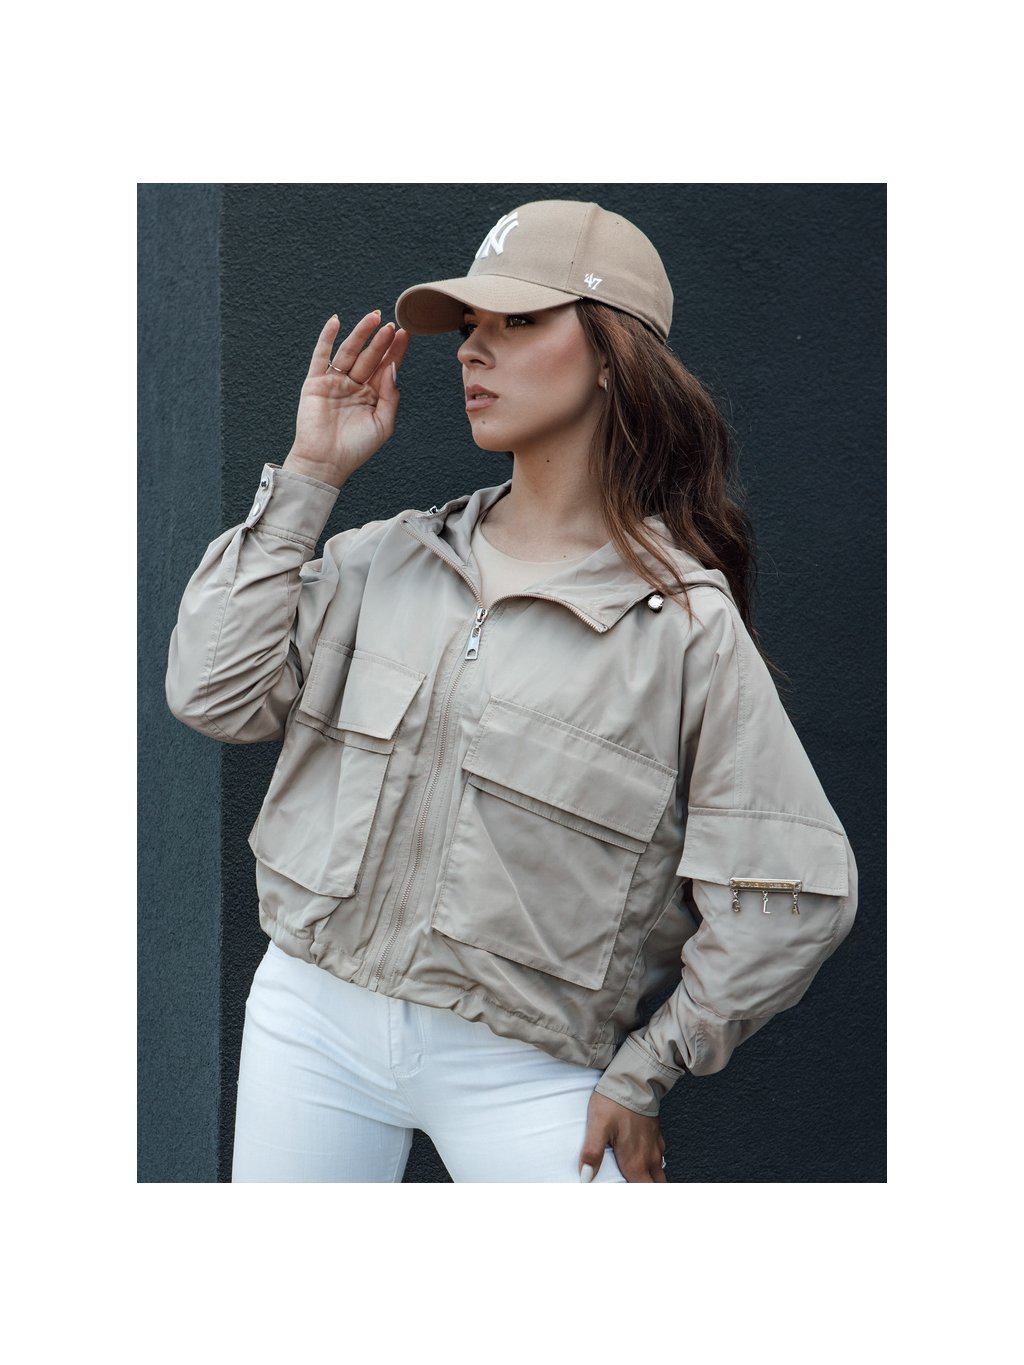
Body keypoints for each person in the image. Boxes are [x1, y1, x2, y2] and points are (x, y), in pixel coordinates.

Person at [166, 199, 858, 1183]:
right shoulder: (383, 560)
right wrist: (311, 475)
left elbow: (794, 892)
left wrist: (650, 1069)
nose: (470, 351)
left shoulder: (681, 628)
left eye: (518, 321)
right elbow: (213, 694)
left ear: (612, 353)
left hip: (526, 1070)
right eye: (469, 326)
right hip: (308, 1020)